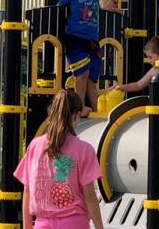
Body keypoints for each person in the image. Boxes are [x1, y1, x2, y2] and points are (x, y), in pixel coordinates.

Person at [13, 90, 104, 229]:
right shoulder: (84, 149)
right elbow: (89, 196)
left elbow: (27, 191)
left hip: (42, 223)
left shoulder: (34, 146)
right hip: (74, 223)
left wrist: (27, 226)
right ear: (75, 116)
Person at [57, 0, 102, 116]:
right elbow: (58, 8)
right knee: (82, 73)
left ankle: (97, 110)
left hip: (92, 41)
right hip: (75, 38)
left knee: (92, 77)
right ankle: (80, 107)